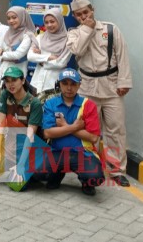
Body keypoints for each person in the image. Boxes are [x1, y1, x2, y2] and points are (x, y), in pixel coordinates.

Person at [66, 0, 132, 187]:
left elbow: (122, 55)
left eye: (86, 12)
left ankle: (116, 170)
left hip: (111, 87)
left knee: (115, 129)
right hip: (87, 87)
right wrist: (86, 28)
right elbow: (77, 50)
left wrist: (124, 81)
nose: (83, 17)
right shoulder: (75, 33)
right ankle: (89, 166)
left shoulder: (110, 29)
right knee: (87, 130)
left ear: (92, 10)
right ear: (74, 16)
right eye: (78, 15)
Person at [41, 68, 105, 196]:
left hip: (83, 154)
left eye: (73, 84)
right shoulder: (50, 103)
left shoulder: (88, 105)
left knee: (96, 177)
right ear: (59, 84)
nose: (69, 88)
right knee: (37, 174)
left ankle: (86, 182)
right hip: (57, 153)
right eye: (65, 83)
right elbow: (47, 133)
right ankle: (56, 175)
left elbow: (93, 138)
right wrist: (73, 127)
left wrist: (64, 126)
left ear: (79, 85)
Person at [0, 67, 42, 185]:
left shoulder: (34, 103)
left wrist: (21, 164)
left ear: (23, 81)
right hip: (12, 142)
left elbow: (30, 135)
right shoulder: (5, 95)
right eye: (7, 81)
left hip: (30, 146)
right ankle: (11, 167)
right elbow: (1, 123)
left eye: (14, 80)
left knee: (18, 185)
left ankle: (25, 170)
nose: (10, 84)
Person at [28, 8, 72, 94]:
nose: (49, 25)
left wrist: (41, 62)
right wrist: (48, 57)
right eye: (46, 22)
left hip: (54, 84)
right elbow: (30, 56)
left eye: (52, 21)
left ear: (59, 21)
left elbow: (61, 63)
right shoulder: (40, 38)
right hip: (36, 82)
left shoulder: (68, 41)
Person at [0, 6, 36, 90]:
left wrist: (2, 54)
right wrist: (7, 56)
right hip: (3, 75)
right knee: (3, 100)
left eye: (14, 17)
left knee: (16, 102)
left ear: (22, 17)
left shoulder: (27, 35)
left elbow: (18, 55)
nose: (11, 21)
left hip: (17, 77)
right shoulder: (6, 33)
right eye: (8, 18)